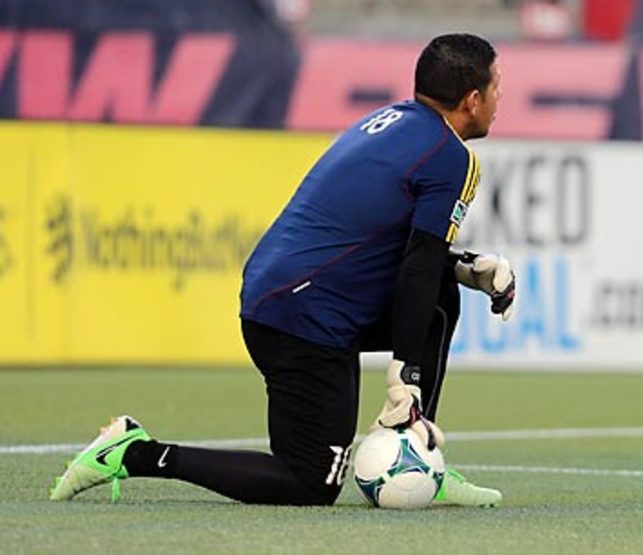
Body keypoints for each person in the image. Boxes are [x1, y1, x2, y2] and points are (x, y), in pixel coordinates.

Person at [51, 32, 517, 507]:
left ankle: (417, 451)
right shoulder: (452, 157)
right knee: (309, 484)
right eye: (498, 86)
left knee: (440, 298)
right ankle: (136, 453)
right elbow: (416, 266)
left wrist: (461, 267)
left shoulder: (391, 120)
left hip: (284, 298)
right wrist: (404, 377)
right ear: (472, 99)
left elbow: (388, 240)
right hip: (306, 317)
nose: (501, 98)